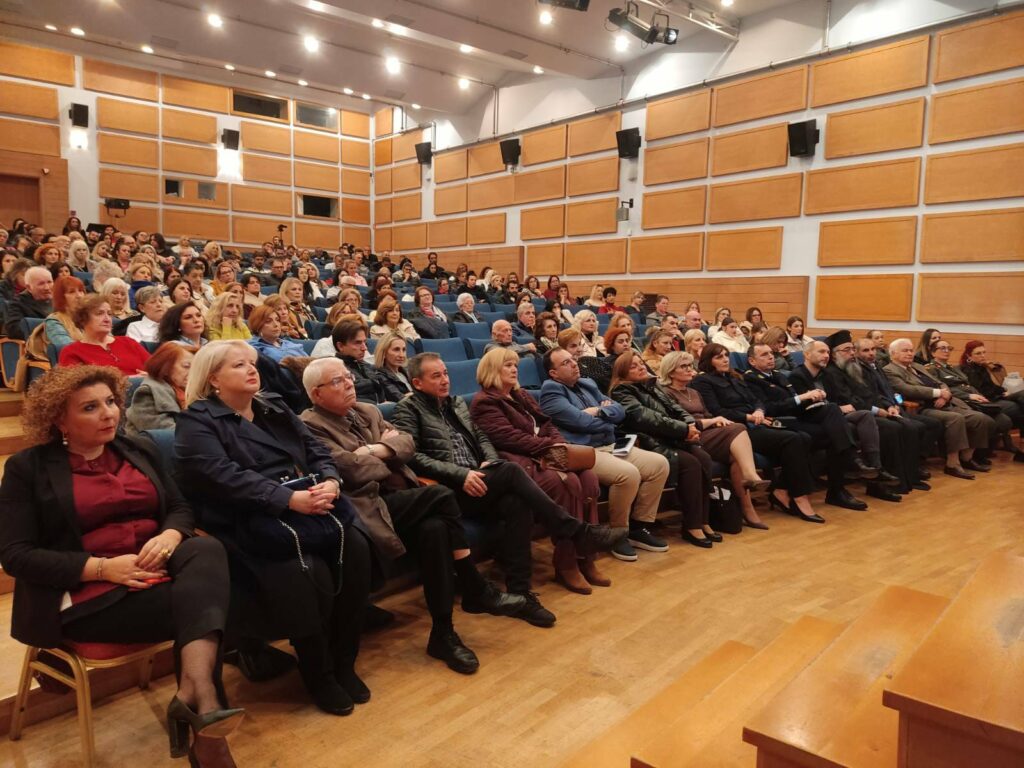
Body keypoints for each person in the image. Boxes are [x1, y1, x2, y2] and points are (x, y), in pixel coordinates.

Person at [0, 365, 242, 767]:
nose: (109, 413)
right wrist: (102, 568)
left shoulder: (137, 449)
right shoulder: (28, 468)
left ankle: (196, 696)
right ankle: (206, 723)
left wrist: (170, 536)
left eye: (111, 402)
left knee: (207, 550)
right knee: (207, 608)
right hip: (88, 595)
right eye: (90, 407)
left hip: (157, 570)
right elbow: (15, 554)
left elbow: (179, 507)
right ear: (59, 419)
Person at [174, 341, 371, 716]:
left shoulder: (273, 407)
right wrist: (286, 499)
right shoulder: (197, 421)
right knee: (304, 570)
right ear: (213, 378)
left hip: (300, 507)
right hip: (245, 521)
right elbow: (222, 477)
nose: (252, 369)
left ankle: (343, 660)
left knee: (357, 548)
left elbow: (316, 450)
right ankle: (318, 673)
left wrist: (331, 481)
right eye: (238, 365)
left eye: (252, 362)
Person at [299, 358, 525, 675]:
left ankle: (443, 634)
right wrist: (386, 451)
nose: (349, 383)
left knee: (435, 529)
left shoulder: (368, 410)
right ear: (316, 393)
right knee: (441, 495)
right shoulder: (309, 425)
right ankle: (474, 586)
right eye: (337, 381)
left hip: (403, 497)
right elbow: (350, 470)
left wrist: (373, 451)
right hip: (367, 507)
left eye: (348, 376)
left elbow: (407, 444)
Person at [392, 353, 623, 625]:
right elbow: (412, 456)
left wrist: (490, 460)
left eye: (445, 373)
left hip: (480, 478)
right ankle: (577, 531)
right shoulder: (408, 410)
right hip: (448, 489)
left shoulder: (456, 403)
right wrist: (461, 474)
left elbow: (480, 437)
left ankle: (520, 593)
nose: (445, 380)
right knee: (512, 471)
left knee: (517, 502)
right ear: (417, 383)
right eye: (436, 376)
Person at [470, 348, 607, 594]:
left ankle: (586, 557)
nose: (514, 369)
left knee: (588, 478)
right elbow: (510, 439)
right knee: (566, 484)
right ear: (491, 370)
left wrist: (559, 444)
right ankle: (566, 564)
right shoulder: (484, 402)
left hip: (543, 454)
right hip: (519, 462)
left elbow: (547, 423)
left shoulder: (520, 394)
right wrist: (552, 446)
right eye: (507, 365)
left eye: (515, 364)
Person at [540, 347, 671, 561]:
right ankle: (618, 533)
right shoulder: (551, 392)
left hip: (610, 445)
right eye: (565, 363)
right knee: (628, 474)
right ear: (553, 373)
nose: (574, 364)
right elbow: (581, 422)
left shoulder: (587, 384)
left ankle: (639, 526)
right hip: (585, 451)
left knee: (659, 464)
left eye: (572, 359)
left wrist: (599, 411)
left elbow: (620, 412)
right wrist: (605, 418)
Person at [691, 344, 827, 524]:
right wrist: (749, 417)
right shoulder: (703, 381)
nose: (725, 359)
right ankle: (800, 497)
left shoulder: (735, 377)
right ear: (708, 361)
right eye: (719, 357)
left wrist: (759, 411)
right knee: (793, 439)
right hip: (737, 430)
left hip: (757, 422)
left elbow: (757, 400)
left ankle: (781, 489)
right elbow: (717, 411)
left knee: (805, 437)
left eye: (726, 355)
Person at [746, 340, 876, 510]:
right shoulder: (750, 379)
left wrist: (812, 399)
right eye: (764, 354)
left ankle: (838, 487)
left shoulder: (778, 375)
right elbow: (768, 408)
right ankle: (843, 475)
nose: (771, 357)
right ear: (752, 361)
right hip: (778, 423)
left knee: (832, 414)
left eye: (771, 353)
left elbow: (794, 403)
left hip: (796, 417)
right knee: (833, 432)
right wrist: (802, 398)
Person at [608, 351, 718, 549]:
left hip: (671, 437)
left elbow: (676, 408)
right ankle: (692, 525)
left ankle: (703, 520)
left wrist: (690, 425)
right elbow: (645, 418)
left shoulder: (652, 386)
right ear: (623, 373)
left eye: (641, 363)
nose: (641, 367)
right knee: (690, 464)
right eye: (633, 366)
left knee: (703, 457)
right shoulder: (621, 391)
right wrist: (683, 430)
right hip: (648, 441)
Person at [659, 352, 771, 528]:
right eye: (683, 366)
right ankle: (750, 476)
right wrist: (711, 422)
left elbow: (707, 414)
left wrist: (715, 421)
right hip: (690, 436)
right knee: (738, 428)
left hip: (708, 433)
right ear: (671, 371)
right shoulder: (665, 393)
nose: (689, 369)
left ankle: (747, 508)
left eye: (690, 365)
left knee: (736, 458)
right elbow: (678, 423)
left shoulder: (694, 392)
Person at [884, 338, 993, 479]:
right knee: (955, 419)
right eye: (905, 350)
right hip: (923, 406)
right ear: (893, 353)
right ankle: (953, 463)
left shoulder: (917, 366)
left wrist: (944, 394)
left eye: (911, 350)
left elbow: (940, 382)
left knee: (980, 418)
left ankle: (966, 458)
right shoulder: (889, 370)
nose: (910, 353)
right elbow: (907, 389)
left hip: (946, 402)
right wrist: (937, 393)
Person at [927, 339, 1021, 458]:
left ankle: (982, 453)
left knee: (1004, 420)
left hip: (975, 399)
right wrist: (969, 396)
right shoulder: (931, 369)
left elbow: (968, 386)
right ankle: (973, 456)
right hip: (960, 401)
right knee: (990, 421)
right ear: (933, 352)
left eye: (949, 348)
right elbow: (943, 389)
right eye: (942, 348)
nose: (947, 351)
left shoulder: (952, 368)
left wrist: (979, 396)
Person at [58, 295, 150, 375]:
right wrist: (133, 380)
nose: (107, 319)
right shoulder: (72, 352)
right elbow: (76, 386)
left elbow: (155, 370)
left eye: (109, 314)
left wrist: (150, 377)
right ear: (83, 319)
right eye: (99, 313)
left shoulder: (128, 342)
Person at [959, 340, 1024, 453]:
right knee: (1017, 408)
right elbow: (980, 390)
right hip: (987, 401)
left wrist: (1004, 390)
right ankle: (1008, 442)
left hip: (997, 397)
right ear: (969, 356)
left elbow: (991, 385)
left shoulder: (981, 366)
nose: (983, 355)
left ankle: (1012, 441)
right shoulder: (968, 370)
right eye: (978, 353)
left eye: (984, 352)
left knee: (1022, 396)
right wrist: (1000, 393)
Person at [125, 342, 197, 435]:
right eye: (186, 366)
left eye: (196, 367)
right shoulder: (148, 393)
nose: (193, 372)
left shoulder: (195, 392)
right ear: (166, 367)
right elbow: (166, 434)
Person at [331, 318, 385, 404]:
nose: (364, 348)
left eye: (365, 342)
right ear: (340, 346)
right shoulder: (335, 373)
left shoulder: (368, 366)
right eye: (358, 343)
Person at [4, 266, 53, 339]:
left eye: (49, 282)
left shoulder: (60, 300)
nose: (47, 287)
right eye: (41, 284)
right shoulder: (18, 304)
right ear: (29, 287)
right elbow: (13, 330)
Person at [43, 275, 86, 349]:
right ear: (60, 297)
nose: (79, 296)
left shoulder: (89, 317)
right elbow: (69, 349)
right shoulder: (53, 321)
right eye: (71, 292)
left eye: (80, 291)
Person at [373, 331, 413, 402]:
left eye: (404, 350)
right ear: (384, 353)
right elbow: (399, 398)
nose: (401, 355)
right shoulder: (379, 375)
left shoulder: (407, 371)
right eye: (396, 350)